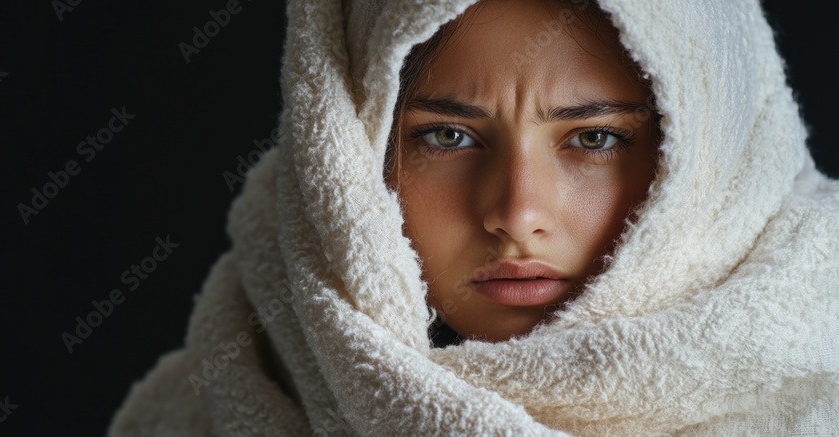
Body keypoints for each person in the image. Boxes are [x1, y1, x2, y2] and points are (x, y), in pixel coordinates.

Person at [109, 0, 839, 435]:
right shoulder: (203, 408)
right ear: (347, 154)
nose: (517, 214)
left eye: (595, 138)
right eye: (447, 137)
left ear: (713, 159)